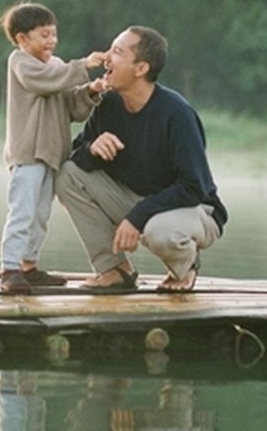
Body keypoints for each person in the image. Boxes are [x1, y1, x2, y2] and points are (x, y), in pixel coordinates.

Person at [56, 26, 227, 293]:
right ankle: (114, 269)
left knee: (161, 231)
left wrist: (137, 217)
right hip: (139, 203)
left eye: (117, 52)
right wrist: (91, 149)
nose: (106, 58)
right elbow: (77, 159)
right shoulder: (108, 103)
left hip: (195, 210)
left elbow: (194, 187)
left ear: (141, 68)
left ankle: (186, 266)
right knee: (67, 174)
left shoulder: (176, 114)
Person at [0, 2, 106, 294]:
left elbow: (72, 107)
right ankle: (9, 269)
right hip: (28, 153)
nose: (51, 41)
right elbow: (45, 82)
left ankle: (29, 267)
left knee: (41, 214)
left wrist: (92, 91)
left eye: (53, 34)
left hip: (52, 154)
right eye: (44, 35)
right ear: (22, 39)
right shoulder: (19, 62)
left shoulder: (58, 67)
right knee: (23, 212)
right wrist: (83, 65)